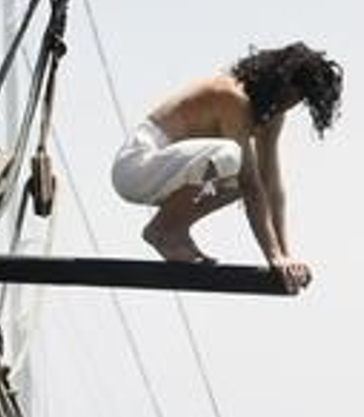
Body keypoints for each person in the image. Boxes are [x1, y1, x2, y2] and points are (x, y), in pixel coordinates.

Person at [110, 42, 342, 291]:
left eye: (296, 102)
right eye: (286, 96)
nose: (286, 106)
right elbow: (251, 185)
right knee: (231, 158)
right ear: (276, 80)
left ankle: (171, 226)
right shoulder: (232, 96)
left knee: (238, 173)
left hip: (168, 176)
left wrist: (286, 255)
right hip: (137, 167)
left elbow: (270, 185)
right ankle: (165, 229)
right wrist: (273, 256)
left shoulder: (270, 117)